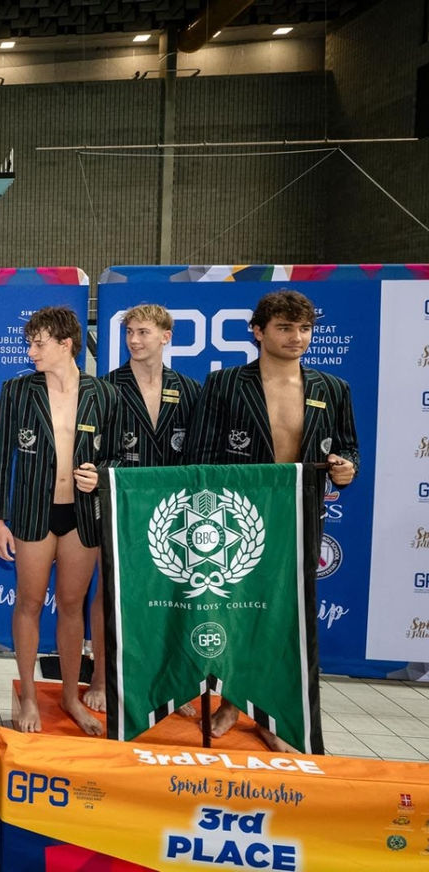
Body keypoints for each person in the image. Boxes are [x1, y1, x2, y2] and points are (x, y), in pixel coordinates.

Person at [185, 289, 358, 751]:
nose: (296, 337)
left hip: (299, 516)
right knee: (236, 612)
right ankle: (228, 702)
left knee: (286, 620)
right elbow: (200, 456)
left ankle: (269, 714)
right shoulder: (225, 384)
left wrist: (346, 468)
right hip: (237, 519)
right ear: (259, 332)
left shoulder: (331, 388)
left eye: (304, 328)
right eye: (284, 327)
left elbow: (349, 448)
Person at [0, 305, 119, 735]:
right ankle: (28, 694)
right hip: (32, 512)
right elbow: (0, 459)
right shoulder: (17, 390)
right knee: (28, 603)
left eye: (38, 343)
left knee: (70, 606)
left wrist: (98, 476)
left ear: (66, 344)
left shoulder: (102, 393)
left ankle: (67, 696)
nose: (31, 350)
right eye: (29, 342)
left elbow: (117, 457)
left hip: (81, 515)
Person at [85, 303, 201, 713]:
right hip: (118, 501)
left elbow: (199, 455)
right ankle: (101, 677)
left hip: (173, 508)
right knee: (110, 592)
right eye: (130, 332)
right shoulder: (106, 386)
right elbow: (93, 448)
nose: (134, 340)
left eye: (144, 332)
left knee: (172, 596)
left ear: (166, 337)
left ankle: (174, 681)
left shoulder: (189, 389)